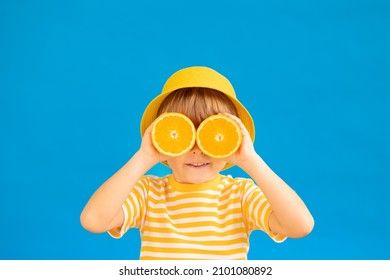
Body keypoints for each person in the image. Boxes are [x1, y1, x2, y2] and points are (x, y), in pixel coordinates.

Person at [80, 66, 314, 260]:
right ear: (164, 138)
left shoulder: (240, 195)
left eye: (210, 135)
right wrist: (144, 158)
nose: (197, 150)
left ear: (230, 140)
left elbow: (300, 226)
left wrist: (250, 160)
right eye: (183, 134)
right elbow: (93, 221)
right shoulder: (148, 194)